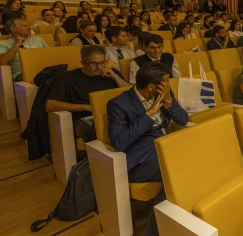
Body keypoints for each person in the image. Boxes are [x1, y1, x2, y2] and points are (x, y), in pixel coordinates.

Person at [108, 62, 188, 236]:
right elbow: (119, 142)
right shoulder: (119, 104)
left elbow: (183, 120)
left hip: (168, 148)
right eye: (166, 82)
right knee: (180, 172)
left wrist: (168, 101)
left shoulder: (165, 94)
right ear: (152, 86)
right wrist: (148, 115)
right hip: (142, 160)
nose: (168, 85)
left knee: (196, 161)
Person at [47, 45, 129, 143]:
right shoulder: (68, 78)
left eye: (102, 62)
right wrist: (86, 107)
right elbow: (50, 105)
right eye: (93, 64)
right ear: (83, 63)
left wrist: (115, 76)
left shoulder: (112, 73)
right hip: (83, 117)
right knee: (96, 131)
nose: (99, 67)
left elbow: (131, 92)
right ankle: (99, 157)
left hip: (112, 114)